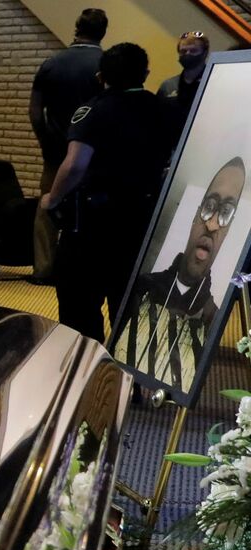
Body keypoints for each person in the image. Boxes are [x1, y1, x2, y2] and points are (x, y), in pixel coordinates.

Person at [41, 43, 174, 344]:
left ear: (101, 76)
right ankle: (128, 380)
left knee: (79, 306)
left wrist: (53, 198)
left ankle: (87, 370)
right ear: (146, 74)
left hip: (94, 223)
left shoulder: (93, 109)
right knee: (128, 307)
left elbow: (75, 164)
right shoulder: (165, 110)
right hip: (143, 220)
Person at [113, 158, 243, 396]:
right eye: (209, 206)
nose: (212, 224)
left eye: (225, 213)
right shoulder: (142, 287)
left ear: (229, 231)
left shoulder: (212, 317)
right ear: (195, 216)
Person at [29, 8, 107, 283]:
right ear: (103, 32)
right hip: (92, 153)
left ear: (76, 28)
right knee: (89, 211)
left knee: (47, 206)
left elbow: (36, 111)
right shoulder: (105, 64)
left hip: (54, 149)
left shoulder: (52, 63)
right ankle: (80, 270)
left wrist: (44, 140)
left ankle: (43, 270)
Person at [159, 32, 210, 126]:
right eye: (183, 51)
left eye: (193, 51)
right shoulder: (168, 86)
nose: (188, 54)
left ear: (205, 53)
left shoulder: (212, 84)